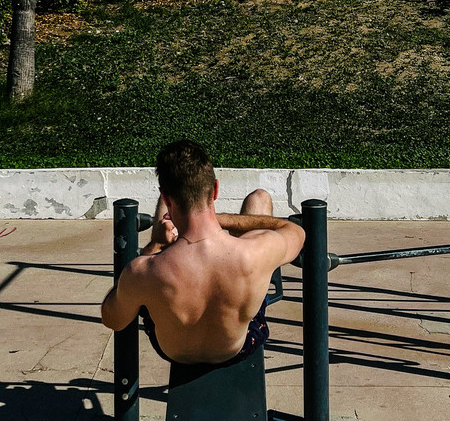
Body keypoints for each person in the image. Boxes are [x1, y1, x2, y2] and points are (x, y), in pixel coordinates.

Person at [100, 139, 305, 366]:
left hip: (173, 350)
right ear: (215, 190)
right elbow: (296, 232)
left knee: (141, 295)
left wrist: (155, 247)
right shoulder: (255, 252)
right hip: (237, 347)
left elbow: (113, 319)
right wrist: (221, 220)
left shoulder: (142, 271)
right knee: (260, 199)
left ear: (167, 200)